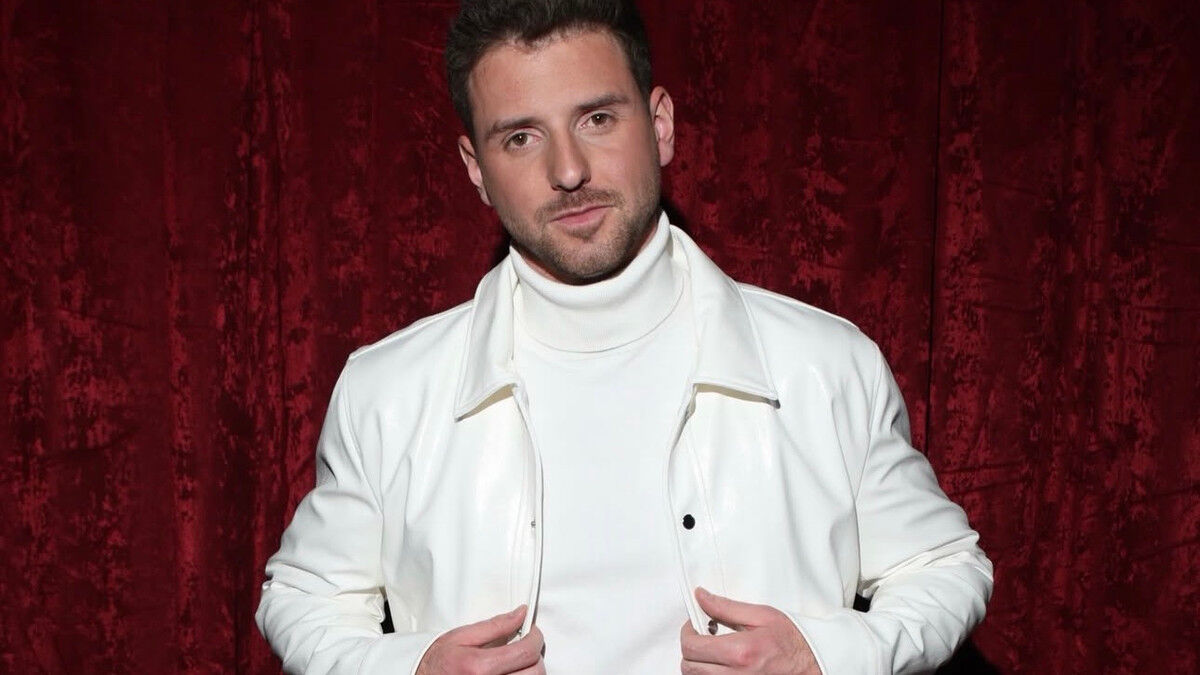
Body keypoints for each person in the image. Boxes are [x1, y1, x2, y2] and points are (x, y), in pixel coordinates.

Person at [255, 1, 993, 673]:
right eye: (521, 137)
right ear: (476, 170)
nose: (568, 170)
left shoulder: (824, 365)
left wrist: (827, 658)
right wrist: (411, 669)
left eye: (598, 119)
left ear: (660, 124)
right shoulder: (387, 391)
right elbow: (304, 596)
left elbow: (943, 565)